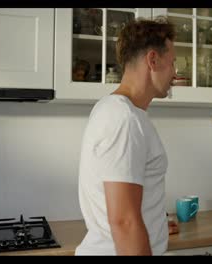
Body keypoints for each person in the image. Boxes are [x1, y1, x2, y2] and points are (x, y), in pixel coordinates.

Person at [75, 17, 177, 256]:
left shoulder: (120, 112)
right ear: (152, 60)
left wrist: (156, 226)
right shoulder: (124, 118)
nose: (174, 73)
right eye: (172, 63)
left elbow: (129, 212)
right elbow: (124, 221)